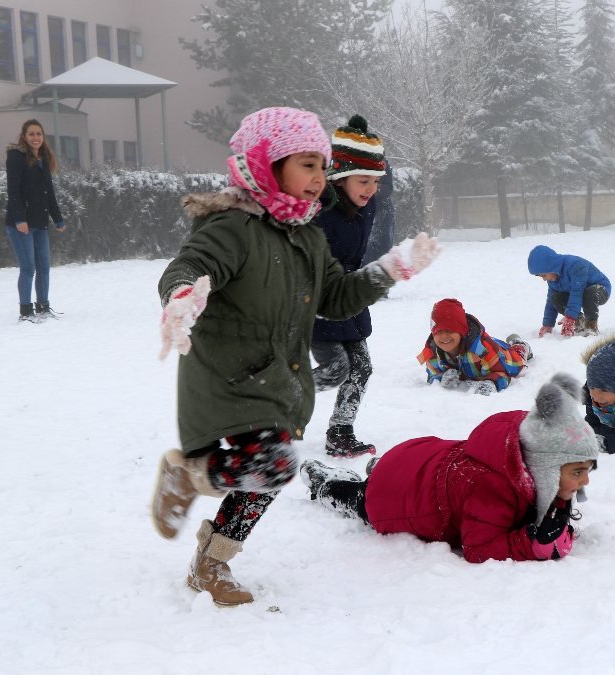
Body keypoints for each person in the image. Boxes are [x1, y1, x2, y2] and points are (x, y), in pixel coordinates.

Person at [149, 107, 440, 607]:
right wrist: (182, 297)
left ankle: (209, 564)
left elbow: (336, 297)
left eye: (323, 166)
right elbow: (190, 265)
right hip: (229, 377)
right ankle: (186, 476)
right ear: (267, 163)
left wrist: (392, 268)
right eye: (307, 164)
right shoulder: (232, 227)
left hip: (277, 380)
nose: (319, 178)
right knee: (274, 465)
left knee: (265, 477)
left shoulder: (306, 234)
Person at [299, 373, 599, 563]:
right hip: (395, 497)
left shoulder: (524, 446)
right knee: (361, 499)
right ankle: (325, 484)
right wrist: (529, 544)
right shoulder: (493, 486)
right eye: (577, 472)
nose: (584, 480)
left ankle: (380, 469)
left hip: (419, 457)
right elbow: (478, 549)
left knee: (397, 475)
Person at [311, 115, 389, 458]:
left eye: (376, 180)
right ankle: (276, 402)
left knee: (361, 366)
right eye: (363, 180)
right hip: (316, 301)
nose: (371, 188)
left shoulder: (366, 205)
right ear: (340, 177)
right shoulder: (317, 209)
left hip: (350, 295)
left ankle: (340, 432)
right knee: (334, 369)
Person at [4, 119, 65, 323]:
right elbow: (14, 191)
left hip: (40, 222)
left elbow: (49, 193)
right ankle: (26, 311)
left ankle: (43, 306)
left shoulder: (43, 159)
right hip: (21, 224)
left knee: (44, 267)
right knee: (28, 268)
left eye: (39, 134)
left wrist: (57, 219)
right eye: (31, 134)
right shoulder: (16, 157)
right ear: (24, 136)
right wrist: (20, 219)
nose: (35, 138)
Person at [417, 298, 533, 395]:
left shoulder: (482, 349)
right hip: (487, 350)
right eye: (438, 332)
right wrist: (441, 378)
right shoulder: (432, 352)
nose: (443, 336)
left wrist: (491, 382)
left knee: (517, 357)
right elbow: (432, 376)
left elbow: (503, 373)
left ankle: (519, 344)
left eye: (449, 331)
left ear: (461, 331)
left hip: (500, 355)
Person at [526, 245, 611, 338]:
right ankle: (579, 322)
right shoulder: (553, 279)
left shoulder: (575, 266)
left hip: (600, 290)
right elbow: (550, 302)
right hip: (579, 293)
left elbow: (577, 292)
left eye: (544, 275)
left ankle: (591, 326)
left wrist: (570, 318)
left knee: (589, 294)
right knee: (555, 297)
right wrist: (548, 324)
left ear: (551, 267)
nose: (544, 279)